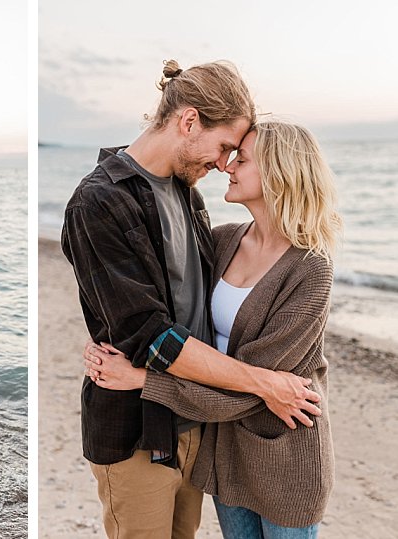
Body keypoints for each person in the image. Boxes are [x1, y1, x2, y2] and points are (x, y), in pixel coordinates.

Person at [59, 60, 318, 539]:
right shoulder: (98, 203)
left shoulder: (186, 192)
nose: (224, 164)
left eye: (236, 154)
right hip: (137, 431)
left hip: (197, 426)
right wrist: (264, 383)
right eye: (224, 147)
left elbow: (201, 304)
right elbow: (151, 337)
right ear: (188, 121)